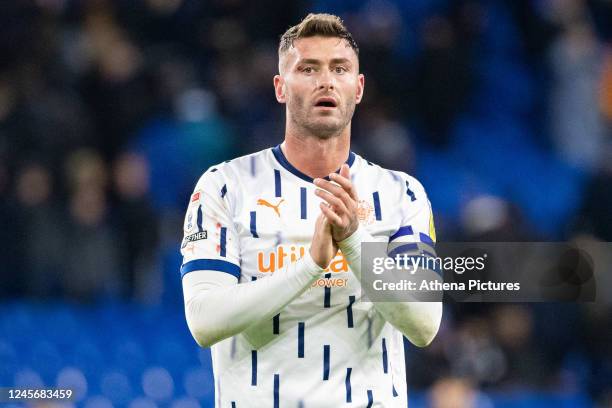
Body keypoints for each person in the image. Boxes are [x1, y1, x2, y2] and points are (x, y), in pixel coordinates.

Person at [181, 13, 442, 407]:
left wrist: (354, 242)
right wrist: (310, 265)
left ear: (358, 88)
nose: (326, 80)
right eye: (308, 68)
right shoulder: (224, 186)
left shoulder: (402, 193)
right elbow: (203, 320)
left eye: (339, 69)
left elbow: (424, 325)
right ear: (280, 87)